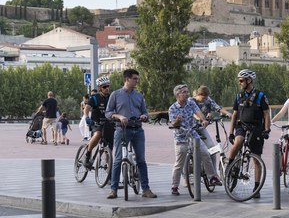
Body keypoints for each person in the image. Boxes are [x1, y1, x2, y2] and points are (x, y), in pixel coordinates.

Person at [105, 69, 157, 199]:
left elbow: (145, 112)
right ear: (127, 79)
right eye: (134, 78)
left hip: (138, 129)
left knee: (141, 160)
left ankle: (146, 189)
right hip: (122, 130)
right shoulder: (115, 95)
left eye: (137, 78)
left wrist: (144, 117)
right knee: (117, 159)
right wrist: (119, 116)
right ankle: (114, 190)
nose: (137, 81)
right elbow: (108, 113)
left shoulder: (139, 96)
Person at [169, 84, 223, 196]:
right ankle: (175, 186)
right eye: (184, 92)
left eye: (187, 91)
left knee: (205, 153)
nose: (187, 94)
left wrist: (203, 120)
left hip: (193, 133)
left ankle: (212, 177)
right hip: (181, 136)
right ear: (178, 95)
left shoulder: (191, 103)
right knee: (180, 162)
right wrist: (177, 122)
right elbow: (173, 123)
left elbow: (198, 113)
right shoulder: (173, 108)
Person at [228, 69, 271, 199]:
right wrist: (231, 132)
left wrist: (266, 129)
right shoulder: (238, 96)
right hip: (242, 126)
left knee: (256, 158)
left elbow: (266, 113)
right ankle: (229, 166)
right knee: (238, 142)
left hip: (256, 127)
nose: (239, 83)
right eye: (239, 80)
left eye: (241, 80)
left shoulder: (260, 95)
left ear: (249, 80)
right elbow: (234, 115)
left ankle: (256, 187)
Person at [191, 85, 233, 168]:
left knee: (212, 149)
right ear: (198, 95)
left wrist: (227, 113)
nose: (205, 100)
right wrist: (199, 118)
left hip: (201, 128)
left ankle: (213, 173)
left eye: (206, 98)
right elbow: (192, 113)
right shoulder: (191, 101)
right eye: (203, 98)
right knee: (195, 149)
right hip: (191, 129)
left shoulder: (207, 101)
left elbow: (218, 108)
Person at [83, 76, 114, 169]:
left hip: (108, 124)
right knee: (98, 134)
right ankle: (87, 154)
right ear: (100, 88)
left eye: (108, 86)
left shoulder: (112, 97)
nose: (107, 88)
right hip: (96, 122)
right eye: (104, 87)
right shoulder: (94, 98)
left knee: (109, 147)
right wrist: (86, 117)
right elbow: (87, 108)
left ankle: (108, 171)